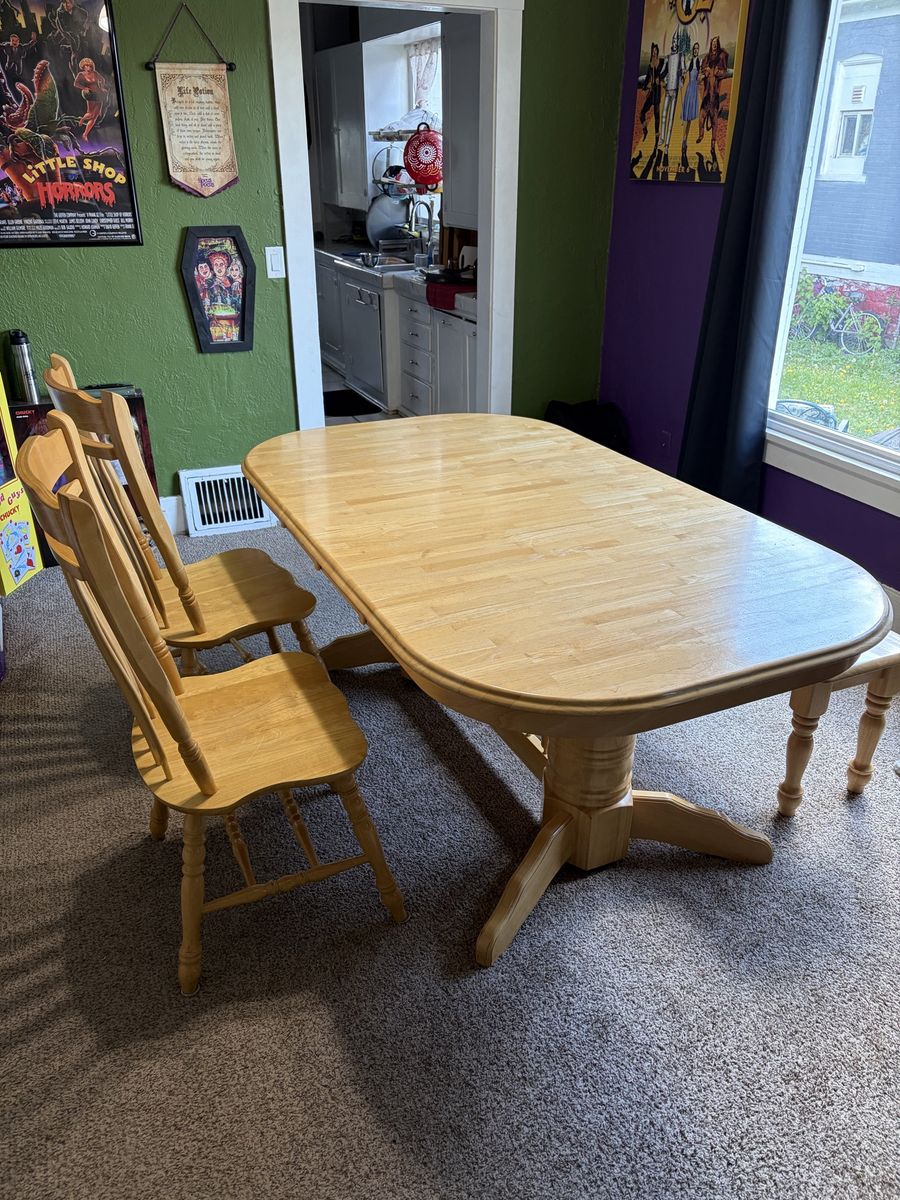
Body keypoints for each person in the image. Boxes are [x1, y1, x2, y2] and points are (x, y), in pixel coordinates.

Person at [697, 35, 729, 159]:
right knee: (701, 117)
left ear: (718, 44)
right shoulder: (707, 58)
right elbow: (702, 70)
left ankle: (712, 144)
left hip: (715, 96)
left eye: (716, 42)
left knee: (714, 121)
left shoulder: (721, 57)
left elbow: (724, 72)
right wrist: (705, 73)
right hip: (706, 95)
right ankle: (701, 133)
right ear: (710, 45)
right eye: (712, 42)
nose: (714, 44)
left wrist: (716, 72)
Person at [72, 56, 108, 141]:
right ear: (83, 67)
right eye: (87, 66)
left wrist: (102, 87)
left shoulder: (95, 73)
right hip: (90, 95)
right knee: (91, 114)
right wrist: (84, 88)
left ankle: (85, 134)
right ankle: (82, 119)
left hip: (99, 95)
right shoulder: (81, 75)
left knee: (94, 117)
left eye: (90, 66)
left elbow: (102, 80)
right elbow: (75, 84)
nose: (89, 68)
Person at [659, 30, 683, 152]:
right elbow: (663, 71)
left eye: (676, 41)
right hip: (668, 89)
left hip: (675, 89)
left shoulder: (681, 56)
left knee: (671, 118)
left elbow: (683, 69)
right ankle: (661, 138)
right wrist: (663, 77)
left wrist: (681, 75)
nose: (674, 43)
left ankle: (667, 144)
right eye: (673, 41)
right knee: (664, 115)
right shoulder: (667, 57)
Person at [638, 43, 664, 146]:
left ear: (657, 51)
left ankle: (657, 137)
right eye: (653, 51)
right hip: (651, 92)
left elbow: (665, 71)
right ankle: (645, 130)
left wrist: (660, 78)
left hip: (657, 92)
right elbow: (648, 78)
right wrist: (644, 88)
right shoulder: (649, 64)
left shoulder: (661, 62)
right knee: (641, 113)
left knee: (656, 115)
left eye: (655, 50)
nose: (654, 52)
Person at [681, 42, 702, 152]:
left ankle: (685, 139)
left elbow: (701, 74)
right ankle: (683, 140)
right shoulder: (690, 61)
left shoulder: (700, 61)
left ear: (699, 50)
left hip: (695, 90)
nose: (695, 50)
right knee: (686, 117)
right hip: (689, 89)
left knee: (689, 119)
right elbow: (685, 72)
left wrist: (701, 77)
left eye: (697, 49)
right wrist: (682, 74)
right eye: (694, 48)